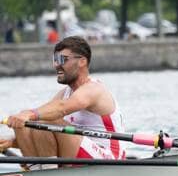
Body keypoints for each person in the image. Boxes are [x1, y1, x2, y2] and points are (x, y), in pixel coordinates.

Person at [0, 36, 126, 164]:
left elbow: (60, 109)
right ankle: (38, 170)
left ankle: (46, 171)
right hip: (79, 152)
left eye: (62, 59)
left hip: (109, 158)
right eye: (55, 59)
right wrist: (11, 142)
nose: (56, 65)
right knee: (26, 124)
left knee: (45, 118)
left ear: (82, 61)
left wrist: (29, 114)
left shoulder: (93, 89)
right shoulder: (64, 94)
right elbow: (40, 131)